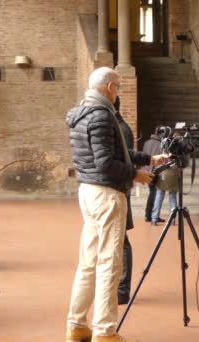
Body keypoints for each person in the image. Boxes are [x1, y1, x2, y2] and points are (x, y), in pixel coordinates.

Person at [65, 66, 168, 342]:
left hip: (88, 191)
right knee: (110, 263)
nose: (118, 92)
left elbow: (113, 153)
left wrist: (148, 159)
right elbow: (106, 163)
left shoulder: (82, 114)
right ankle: (104, 331)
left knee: (88, 261)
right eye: (118, 86)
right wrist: (137, 175)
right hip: (106, 195)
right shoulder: (101, 116)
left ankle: (76, 325)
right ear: (109, 87)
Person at [113, 97, 135, 305]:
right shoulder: (114, 126)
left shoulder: (122, 129)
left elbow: (126, 161)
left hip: (121, 191)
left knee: (122, 242)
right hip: (114, 191)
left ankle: (122, 288)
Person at [142, 127, 165, 223]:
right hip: (154, 171)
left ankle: (149, 214)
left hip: (146, 170)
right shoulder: (160, 144)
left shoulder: (146, 142)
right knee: (154, 193)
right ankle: (151, 215)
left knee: (152, 193)